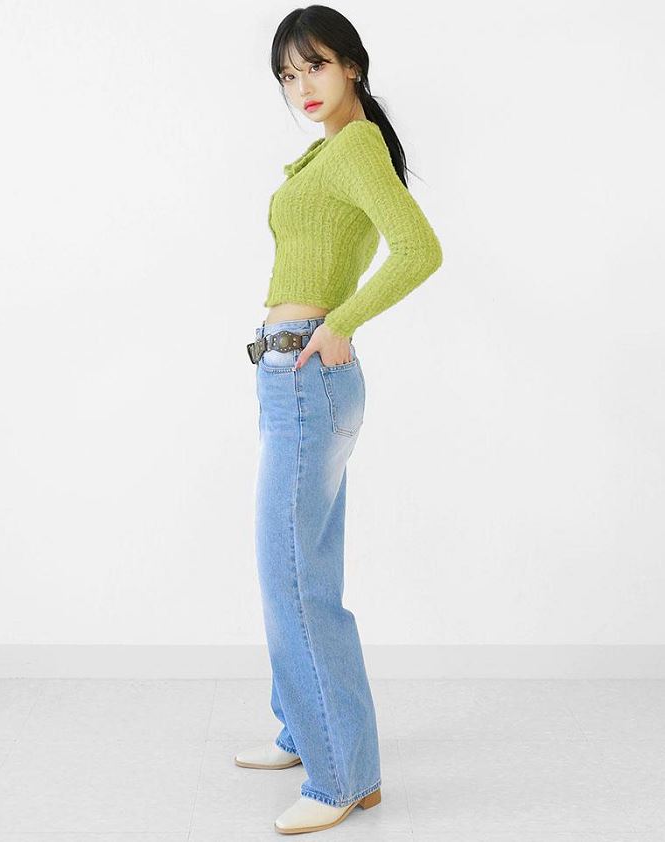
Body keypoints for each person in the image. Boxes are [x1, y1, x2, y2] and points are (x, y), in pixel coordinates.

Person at [238, 5, 443, 834]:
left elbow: (419, 249)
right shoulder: (329, 151)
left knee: (291, 579)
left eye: (315, 66)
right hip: (292, 378)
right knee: (303, 570)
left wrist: (341, 322)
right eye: (288, 76)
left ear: (352, 64)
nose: (302, 87)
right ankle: (305, 732)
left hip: (307, 376)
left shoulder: (355, 146)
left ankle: (343, 778)